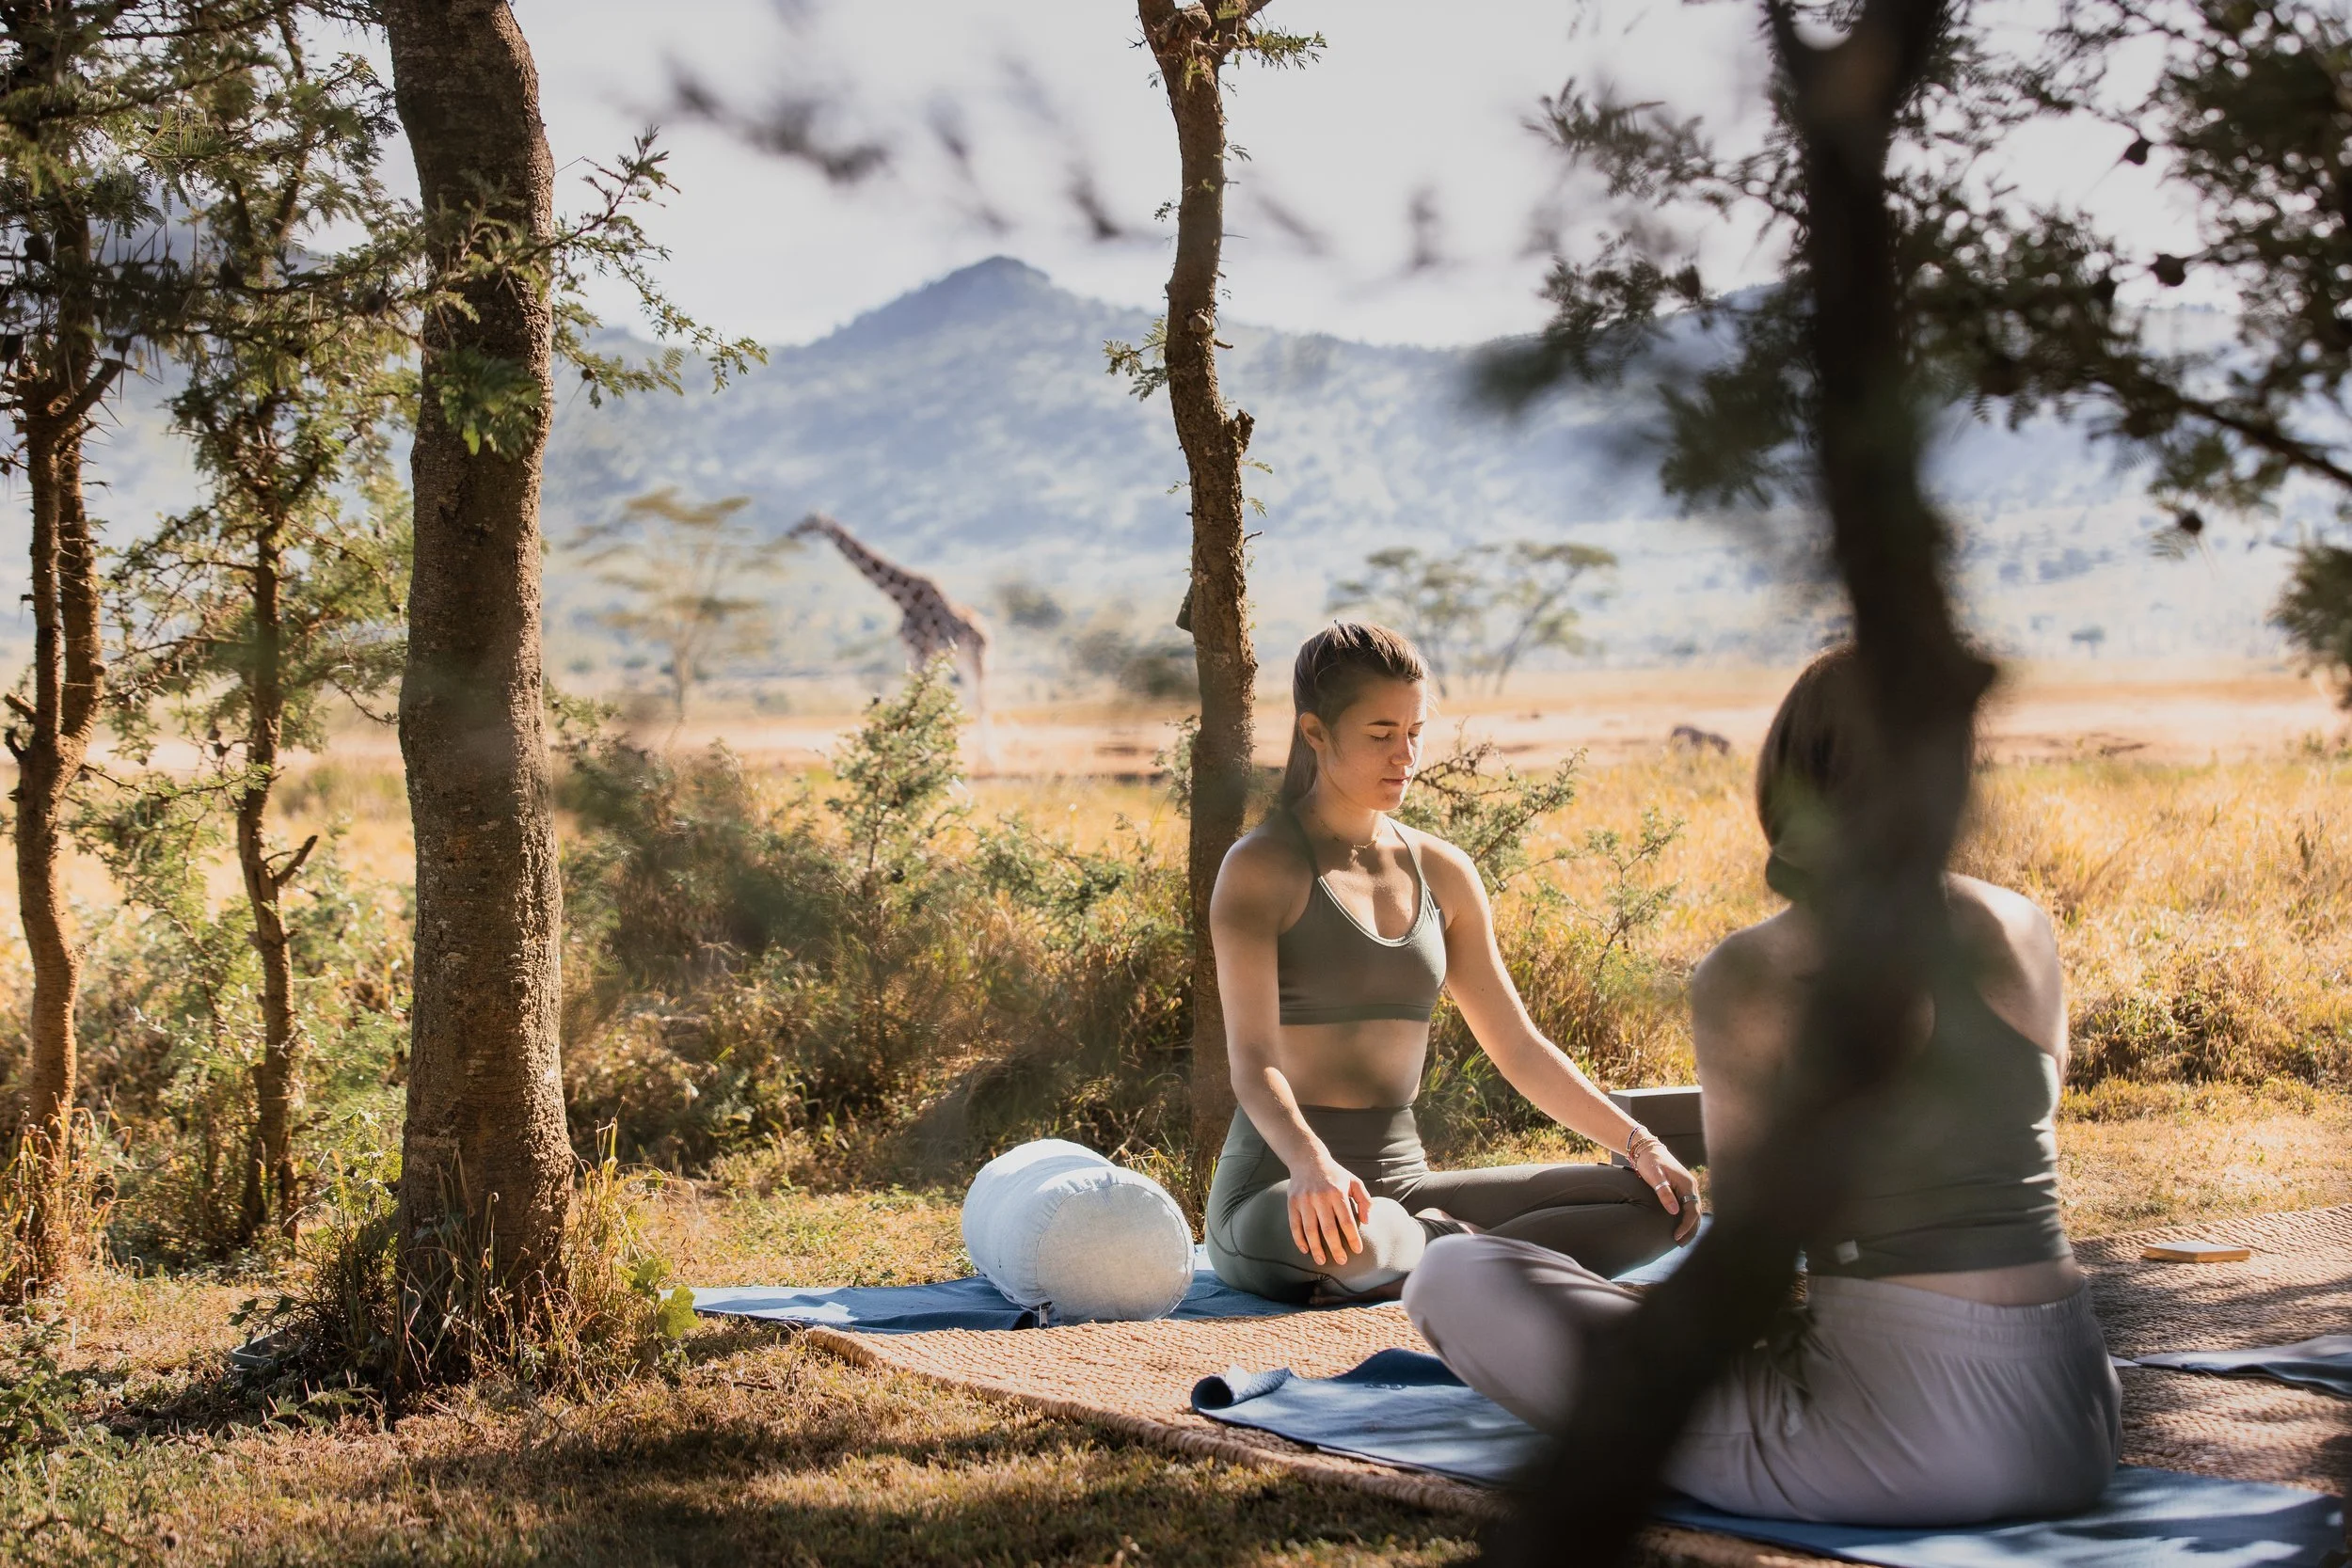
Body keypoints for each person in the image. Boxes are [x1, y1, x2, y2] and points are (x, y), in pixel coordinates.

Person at [1403, 645, 2122, 1525]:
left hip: (1913, 1434)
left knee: (1452, 1274)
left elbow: (1752, 1261)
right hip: (2081, 1412)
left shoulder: (1759, 968)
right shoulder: (2025, 927)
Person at [1204, 623, 1698, 1305]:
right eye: (1380, 734)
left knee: (1658, 1204)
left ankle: (1440, 1250)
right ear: (1315, 733)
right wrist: (1312, 1161)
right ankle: (1454, 1255)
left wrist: (1639, 1142)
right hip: (1283, 1183)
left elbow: (1519, 1047)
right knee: (1357, 1236)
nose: (1403, 754)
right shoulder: (1260, 868)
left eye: (1415, 731)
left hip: (1406, 1187)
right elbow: (1253, 1062)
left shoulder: (1442, 870)